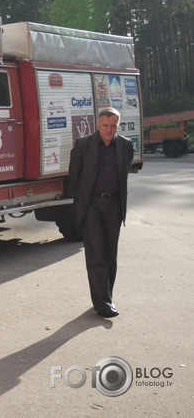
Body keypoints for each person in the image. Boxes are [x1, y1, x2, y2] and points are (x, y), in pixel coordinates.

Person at [67, 107, 134, 319]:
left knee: (110, 255)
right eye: (105, 125)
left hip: (114, 204)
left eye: (113, 125)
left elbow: (125, 172)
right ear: (98, 124)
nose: (109, 129)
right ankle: (104, 304)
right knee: (96, 253)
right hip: (92, 206)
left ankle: (105, 296)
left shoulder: (125, 145)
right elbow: (74, 178)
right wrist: (79, 207)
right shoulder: (83, 145)